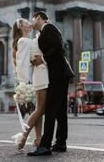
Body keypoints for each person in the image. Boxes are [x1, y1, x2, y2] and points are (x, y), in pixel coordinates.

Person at [27, 11, 74, 156]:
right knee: (60, 110)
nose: (31, 22)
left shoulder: (49, 28)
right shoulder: (44, 32)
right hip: (59, 74)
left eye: (33, 19)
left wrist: (43, 59)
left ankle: (45, 146)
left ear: (40, 18)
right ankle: (60, 143)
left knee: (50, 108)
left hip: (58, 74)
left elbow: (59, 48)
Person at [12, 18, 49, 151]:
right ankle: (23, 137)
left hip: (39, 75)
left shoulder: (30, 40)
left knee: (39, 110)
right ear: (21, 27)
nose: (30, 24)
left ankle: (38, 139)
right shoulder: (23, 41)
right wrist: (23, 82)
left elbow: (37, 46)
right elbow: (21, 62)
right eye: (27, 23)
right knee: (40, 109)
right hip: (37, 77)